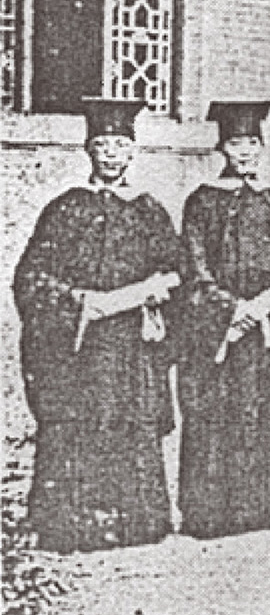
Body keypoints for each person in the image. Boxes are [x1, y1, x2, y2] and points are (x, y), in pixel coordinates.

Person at [15, 98, 179, 552]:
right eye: (103, 145)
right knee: (76, 425)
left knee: (133, 425)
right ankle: (73, 526)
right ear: (89, 150)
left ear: (133, 152)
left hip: (133, 349)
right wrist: (79, 301)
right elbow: (31, 277)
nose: (111, 154)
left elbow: (176, 271)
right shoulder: (65, 209)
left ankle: (135, 523)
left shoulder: (149, 210)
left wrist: (157, 292)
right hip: (79, 347)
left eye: (120, 145)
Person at [175, 101, 270, 537]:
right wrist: (232, 309)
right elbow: (194, 268)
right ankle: (218, 513)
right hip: (223, 329)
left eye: (252, 142)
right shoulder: (202, 202)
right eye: (236, 144)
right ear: (223, 148)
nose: (246, 152)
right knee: (220, 414)